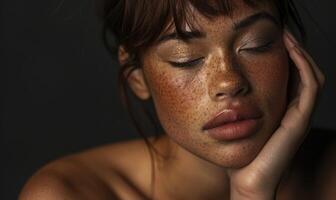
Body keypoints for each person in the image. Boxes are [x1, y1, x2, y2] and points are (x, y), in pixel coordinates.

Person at [19, 0, 335, 199]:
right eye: (186, 59)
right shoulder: (68, 193)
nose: (229, 81)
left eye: (257, 43)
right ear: (137, 77)